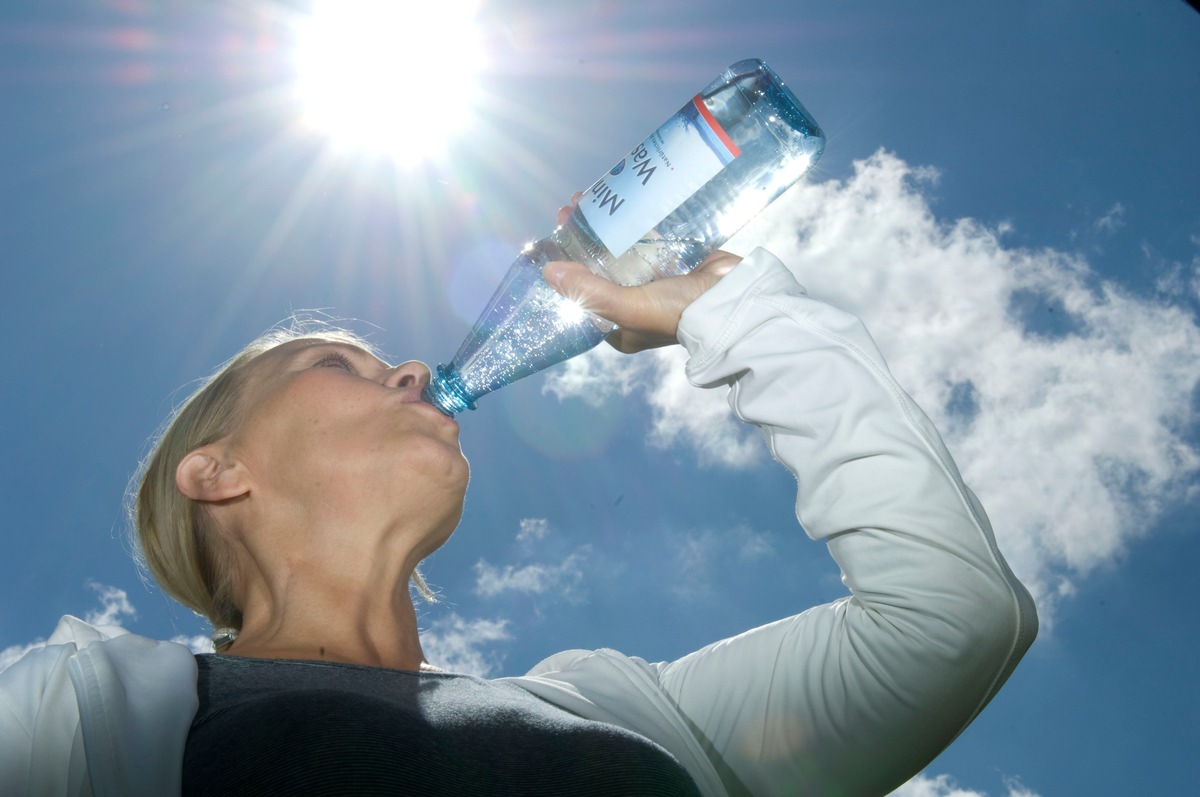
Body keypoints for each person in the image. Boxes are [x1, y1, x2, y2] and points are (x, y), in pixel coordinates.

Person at [0, 213, 1038, 795]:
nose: (410, 366)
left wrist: (741, 320)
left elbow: (951, 617)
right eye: (337, 363)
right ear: (218, 470)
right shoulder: (79, 717)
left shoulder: (627, 707)